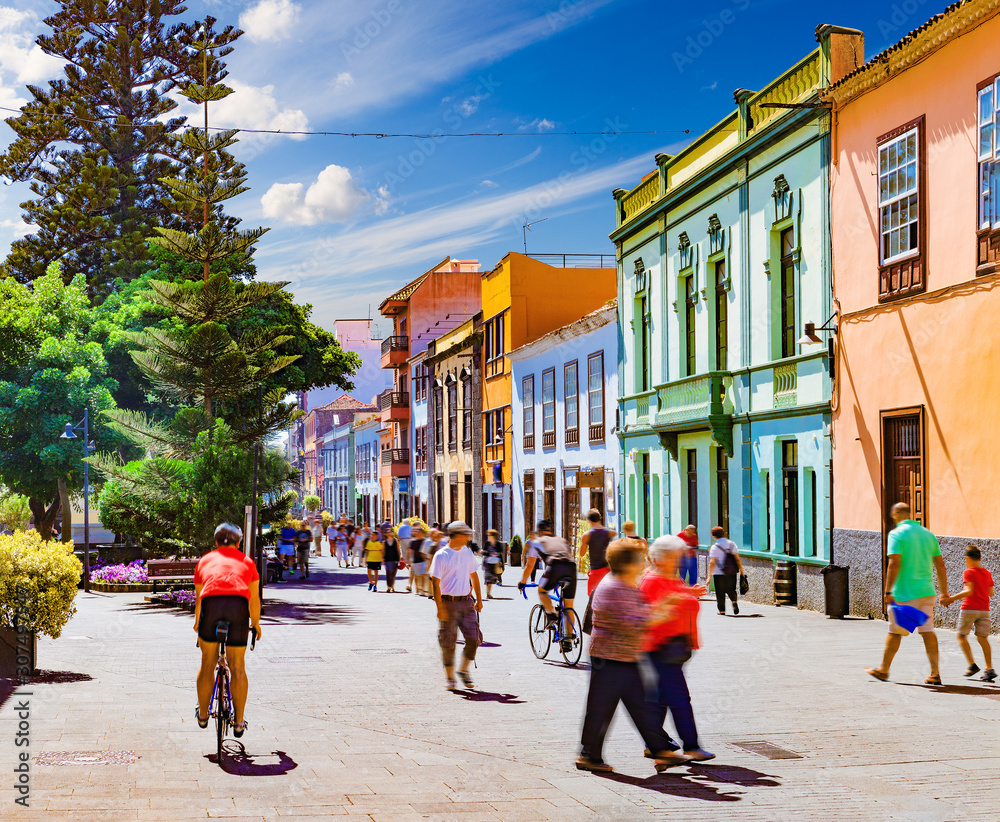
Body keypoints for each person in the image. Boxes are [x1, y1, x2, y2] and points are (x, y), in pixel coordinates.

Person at [577, 539, 689, 774]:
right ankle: (590, 755)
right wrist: (662, 612)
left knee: (639, 706)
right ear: (628, 563)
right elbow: (635, 623)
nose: (643, 564)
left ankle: (659, 750)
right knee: (606, 709)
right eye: (639, 560)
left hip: (620, 655)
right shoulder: (616, 587)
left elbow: (635, 616)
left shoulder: (620, 583)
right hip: (613, 657)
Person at [640, 536, 715, 762]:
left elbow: (675, 597)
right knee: (680, 699)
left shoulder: (669, 577)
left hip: (676, 645)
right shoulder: (652, 580)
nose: (679, 560)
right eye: (675, 556)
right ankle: (691, 746)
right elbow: (648, 615)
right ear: (662, 558)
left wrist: (689, 593)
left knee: (662, 698)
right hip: (662, 647)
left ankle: (653, 744)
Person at [867, 502, 949, 685]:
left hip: (905, 594)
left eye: (893, 515)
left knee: (895, 632)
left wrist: (888, 590)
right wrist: (944, 591)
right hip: (926, 592)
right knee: (927, 631)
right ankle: (935, 673)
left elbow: (894, 563)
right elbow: (941, 565)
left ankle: (884, 670)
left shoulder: (897, 534)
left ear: (896, 514)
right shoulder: (928, 535)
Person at [194, 523, 261, 738]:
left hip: (210, 607)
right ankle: (239, 722)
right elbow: (254, 600)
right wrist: (256, 623)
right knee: (238, 667)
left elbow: (199, 600)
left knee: (207, 665)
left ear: (215, 542)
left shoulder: (204, 560)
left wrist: (198, 624)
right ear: (239, 543)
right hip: (237, 607)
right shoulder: (247, 562)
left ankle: (203, 715)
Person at [429, 521, 483, 691]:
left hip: (467, 602)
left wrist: (479, 600)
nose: (469, 537)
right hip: (448, 603)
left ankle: (463, 670)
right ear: (456, 536)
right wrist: (439, 608)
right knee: (448, 642)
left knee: (474, 639)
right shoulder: (441, 555)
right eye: (466, 534)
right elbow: (435, 584)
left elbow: (474, 576)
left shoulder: (467, 552)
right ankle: (450, 677)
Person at [519, 520, 577, 650]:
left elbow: (529, 566)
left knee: (542, 591)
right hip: (572, 569)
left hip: (555, 567)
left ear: (539, 532)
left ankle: (552, 614)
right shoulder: (561, 540)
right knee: (568, 606)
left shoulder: (536, 543)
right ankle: (568, 640)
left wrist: (522, 582)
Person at [942, 545, 995, 682]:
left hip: (969, 608)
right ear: (980, 558)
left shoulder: (969, 572)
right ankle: (989, 668)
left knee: (961, 636)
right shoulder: (987, 573)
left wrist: (950, 598)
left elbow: (968, 591)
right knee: (983, 638)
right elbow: (991, 593)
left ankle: (971, 665)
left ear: (967, 559)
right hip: (984, 610)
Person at [707, 526, 742, 615]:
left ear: (713, 536)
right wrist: (741, 570)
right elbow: (737, 558)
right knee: (731, 589)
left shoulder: (715, 547)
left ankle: (722, 610)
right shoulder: (732, 544)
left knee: (720, 592)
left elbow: (712, 562)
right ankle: (734, 601)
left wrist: (709, 576)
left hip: (719, 573)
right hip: (732, 571)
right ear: (723, 533)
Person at [579, 509, 613, 596]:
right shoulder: (609, 532)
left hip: (595, 570)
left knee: (592, 596)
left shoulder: (587, 535)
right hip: (607, 569)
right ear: (599, 519)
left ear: (589, 520)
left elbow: (582, 553)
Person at [482, 529, 504, 599]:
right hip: (488, 563)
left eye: (489, 535)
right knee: (488, 579)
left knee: (491, 580)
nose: (488, 536)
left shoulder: (498, 544)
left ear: (493, 536)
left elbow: (500, 552)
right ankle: (488, 593)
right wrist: (488, 553)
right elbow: (484, 552)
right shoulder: (487, 543)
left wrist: (496, 554)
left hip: (495, 564)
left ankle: (488, 593)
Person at [409, 524, 430, 596]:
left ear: (422, 533)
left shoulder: (425, 541)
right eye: (416, 532)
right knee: (417, 576)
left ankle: (423, 589)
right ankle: (417, 588)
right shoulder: (413, 541)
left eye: (419, 532)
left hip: (423, 560)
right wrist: (409, 561)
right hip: (415, 560)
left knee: (423, 575)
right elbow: (410, 551)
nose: (417, 533)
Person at [383, 528, 402, 593]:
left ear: (392, 533)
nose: (388, 533)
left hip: (395, 559)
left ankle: (392, 586)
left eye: (390, 532)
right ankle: (389, 587)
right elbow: (383, 551)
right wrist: (382, 560)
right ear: (385, 534)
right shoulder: (384, 542)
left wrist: (399, 559)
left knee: (393, 573)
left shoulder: (395, 540)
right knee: (388, 573)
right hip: (387, 559)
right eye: (387, 532)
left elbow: (398, 550)